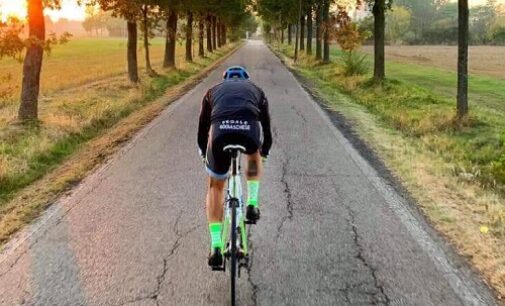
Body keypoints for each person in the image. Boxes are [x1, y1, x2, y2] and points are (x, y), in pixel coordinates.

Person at [197, 66, 272, 267]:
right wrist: (264, 151)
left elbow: (203, 127)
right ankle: (252, 204)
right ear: (246, 79)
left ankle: (215, 246)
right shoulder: (256, 90)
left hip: (219, 132)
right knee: (254, 154)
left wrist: (205, 153)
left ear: (225, 79)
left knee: (215, 186)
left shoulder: (212, 91)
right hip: (249, 130)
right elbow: (266, 127)